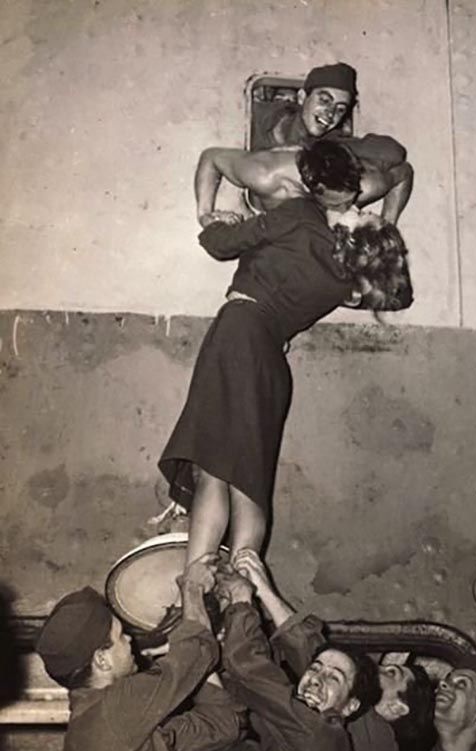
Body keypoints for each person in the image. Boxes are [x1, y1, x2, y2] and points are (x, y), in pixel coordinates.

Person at [160, 140, 412, 569]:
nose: (365, 209)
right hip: (270, 361)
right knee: (249, 482)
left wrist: (214, 220)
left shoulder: (299, 217)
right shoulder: (345, 279)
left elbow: (221, 244)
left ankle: (195, 587)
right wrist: (376, 244)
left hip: (239, 334)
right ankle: (245, 582)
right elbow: (396, 296)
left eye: (365, 216)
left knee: (214, 471)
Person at [231, 548, 435, 751]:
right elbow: (316, 657)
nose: (377, 670)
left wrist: (260, 591)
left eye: (391, 674)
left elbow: (310, 653)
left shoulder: (378, 742)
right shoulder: (343, 726)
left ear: (395, 707)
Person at [35, 556, 243, 751]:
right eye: (121, 636)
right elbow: (195, 650)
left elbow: (223, 724)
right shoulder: (111, 712)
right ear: (102, 660)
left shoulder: (124, 732)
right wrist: (192, 588)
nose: (130, 641)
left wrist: (203, 648)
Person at [193, 570, 381, 751]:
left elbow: (251, 671)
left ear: (349, 706)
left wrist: (242, 599)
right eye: (315, 669)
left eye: (333, 678)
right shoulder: (285, 749)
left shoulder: (320, 734)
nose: (316, 680)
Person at [248, 61, 414, 223]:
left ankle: (387, 235)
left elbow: (395, 153)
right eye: (324, 101)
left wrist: (309, 149)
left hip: (299, 220)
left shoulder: (329, 140)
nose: (330, 113)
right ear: (301, 97)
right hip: (253, 216)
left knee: (377, 180)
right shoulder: (259, 114)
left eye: (340, 109)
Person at [196, 140, 413, 226]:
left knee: (395, 153)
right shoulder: (264, 174)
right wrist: (204, 214)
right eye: (337, 204)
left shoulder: (366, 185)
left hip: (338, 154)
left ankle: (338, 145)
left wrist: (388, 225)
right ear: (312, 190)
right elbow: (212, 157)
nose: (348, 209)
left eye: (351, 201)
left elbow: (404, 172)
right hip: (278, 184)